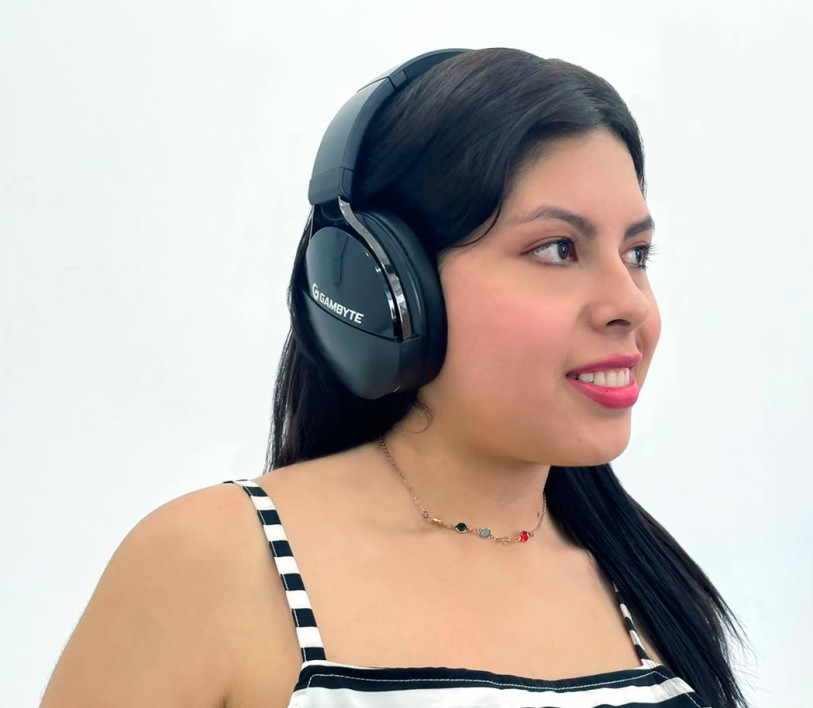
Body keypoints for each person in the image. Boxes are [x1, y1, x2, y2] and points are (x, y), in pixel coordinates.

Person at [40, 47, 749, 708]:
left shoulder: (649, 584)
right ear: (394, 289)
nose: (630, 305)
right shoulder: (215, 564)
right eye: (557, 249)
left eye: (637, 254)